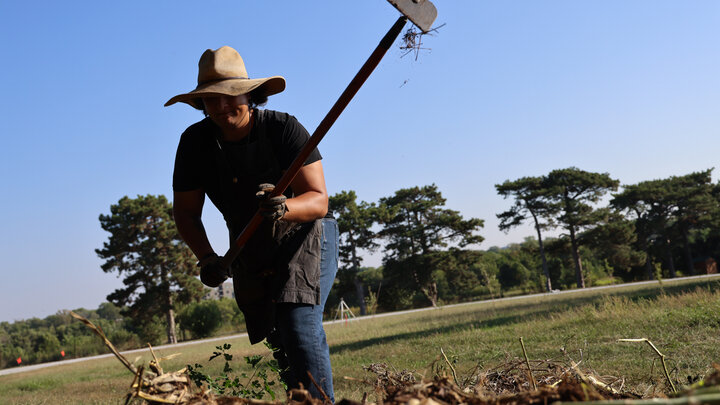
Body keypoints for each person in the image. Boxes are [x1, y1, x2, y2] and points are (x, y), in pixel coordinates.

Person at [165, 46, 338, 402]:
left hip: (307, 237)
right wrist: (207, 257)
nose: (223, 105)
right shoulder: (194, 144)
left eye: (231, 95)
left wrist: (284, 207)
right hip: (250, 246)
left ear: (249, 93)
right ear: (202, 103)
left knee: (298, 324)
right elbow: (185, 213)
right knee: (279, 340)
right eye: (212, 99)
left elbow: (319, 200)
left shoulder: (283, 128)